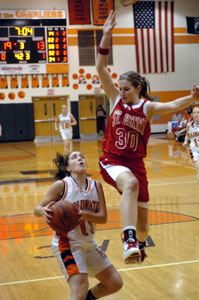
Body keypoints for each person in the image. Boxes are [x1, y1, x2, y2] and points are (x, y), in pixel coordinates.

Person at [96, 10, 199, 264]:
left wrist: (192, 98)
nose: (122, 92)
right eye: (119, 89)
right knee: (129, 184)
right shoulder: (114, 99)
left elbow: (174, 104)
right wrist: (106, 35)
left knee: (144, 226)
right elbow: (99, 67)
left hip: (136, 165)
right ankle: (128, 239)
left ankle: (138, 240)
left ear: (138, 88)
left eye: (126, 89)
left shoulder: (147, 108)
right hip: (112, 160)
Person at [34, 151, 123, 300]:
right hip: (67, 244)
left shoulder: (96, 185)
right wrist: (42, 210)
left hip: (89, 244)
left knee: (114, 283)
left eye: (82, 156)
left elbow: (103, 218)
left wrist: (84, 215)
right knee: (80, 287)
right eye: (74, 158)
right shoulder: (61, 185)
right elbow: (36, 209)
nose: (80, 158)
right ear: (68, 167)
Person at [183, 106, 199, 182]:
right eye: (194, 112)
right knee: (198, 166)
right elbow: (187, 135)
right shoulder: (189, 125)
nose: (196, 114)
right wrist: (185, 141)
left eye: (198, 112)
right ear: (192, 114)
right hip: (194, 150)